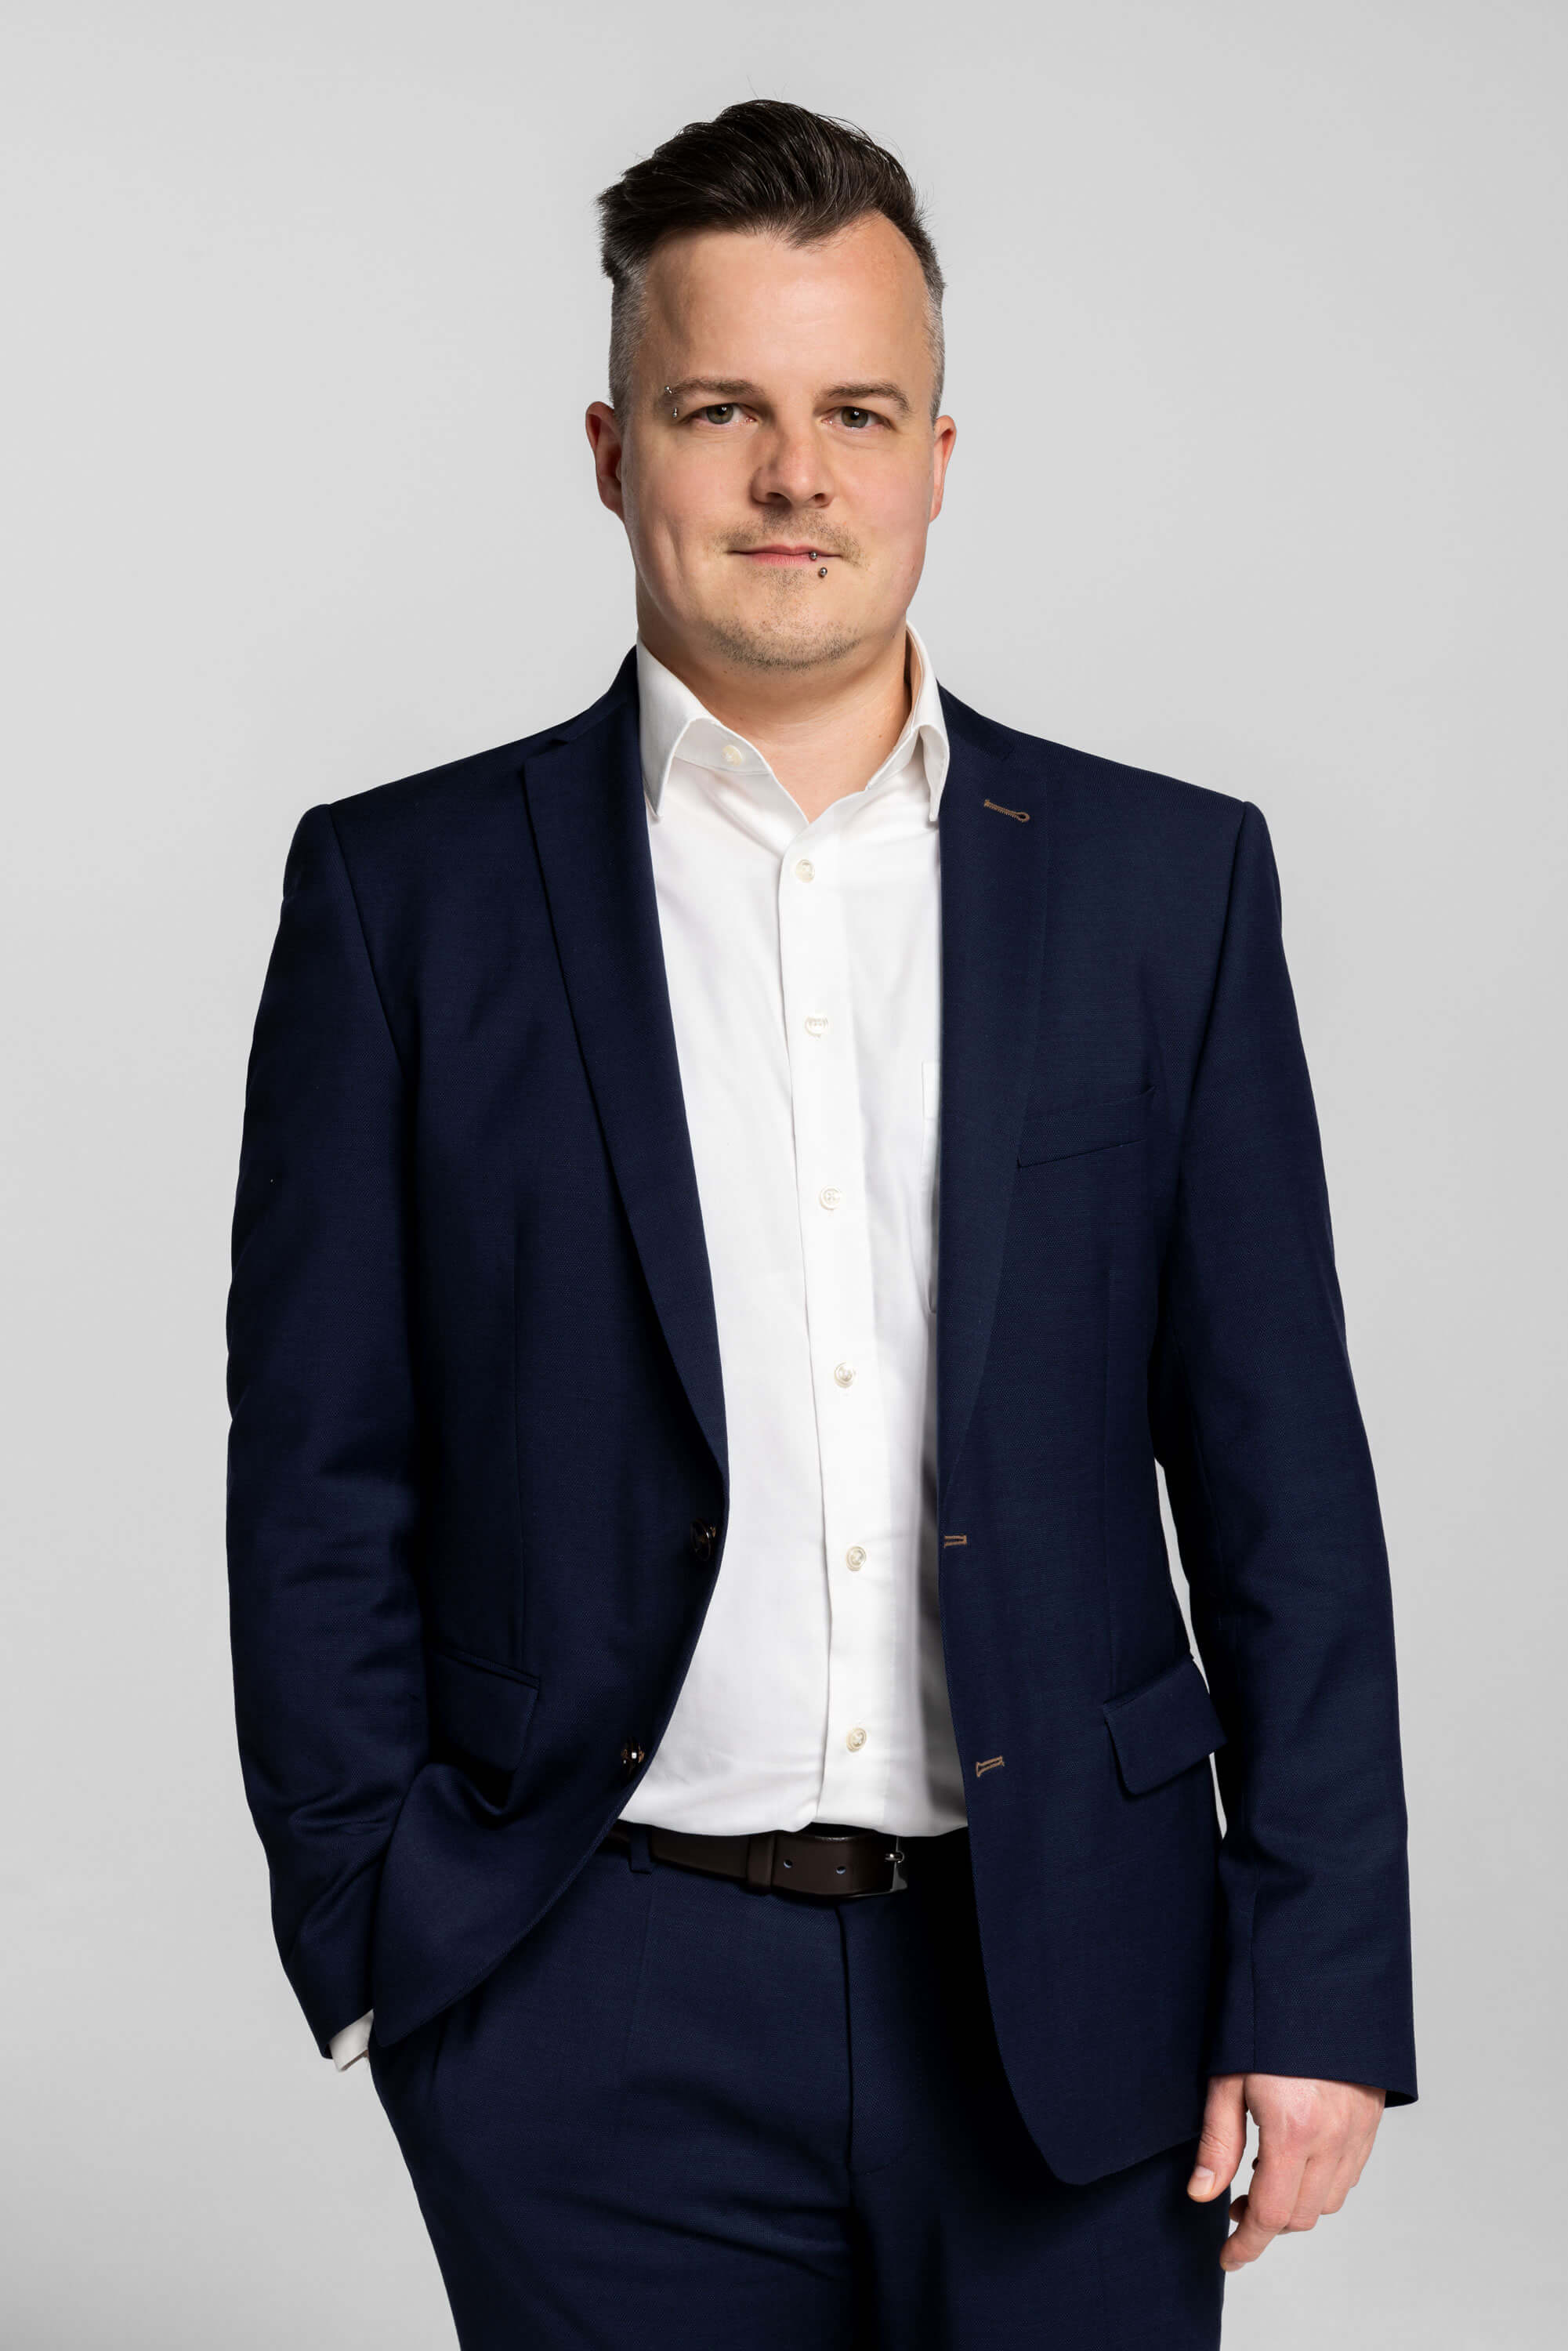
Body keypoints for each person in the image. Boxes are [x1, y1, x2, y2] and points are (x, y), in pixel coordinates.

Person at [226, 97, 1415, 2349]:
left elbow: (1281, 1473)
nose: (795, 478)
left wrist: (1324, 1973)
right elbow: (317, 1473)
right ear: (612, 453)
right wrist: (385, 1940)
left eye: (855, 413)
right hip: (583, 2006)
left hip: (1084, 1991)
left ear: (937, 457)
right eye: (722, 412)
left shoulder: (1164, 892)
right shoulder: (405, 899)